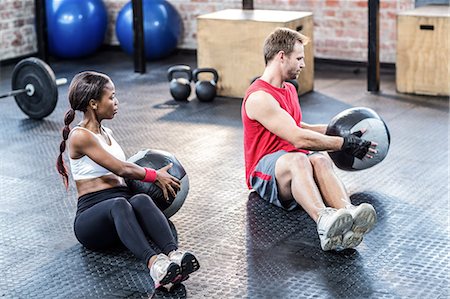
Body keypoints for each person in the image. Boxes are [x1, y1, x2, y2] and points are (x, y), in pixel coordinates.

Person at [56, 71, 200, 289]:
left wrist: (149, 181)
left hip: (121, 219)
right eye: (111, 97)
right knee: (120, 204)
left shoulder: (108, 133)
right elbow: (121, 168)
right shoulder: (80, 136)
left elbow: (124, 173)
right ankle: (155, 266)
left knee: (141, 199)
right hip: (91, 221)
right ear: (94, 103)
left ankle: (174, 254)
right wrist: (154, 175)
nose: (116, 102)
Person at [242, 28, 378, 251]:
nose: (303, 64)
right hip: (264, 173)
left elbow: (297, 126)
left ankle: (348, 214)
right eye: (299, 58)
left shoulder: (288, 90)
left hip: (293, 168)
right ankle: (324, 220)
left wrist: (342, 132)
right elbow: (298, 139)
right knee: (300, 159)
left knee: (321, 160)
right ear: (281, 56)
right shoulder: (259, 98)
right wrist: (345, 144)